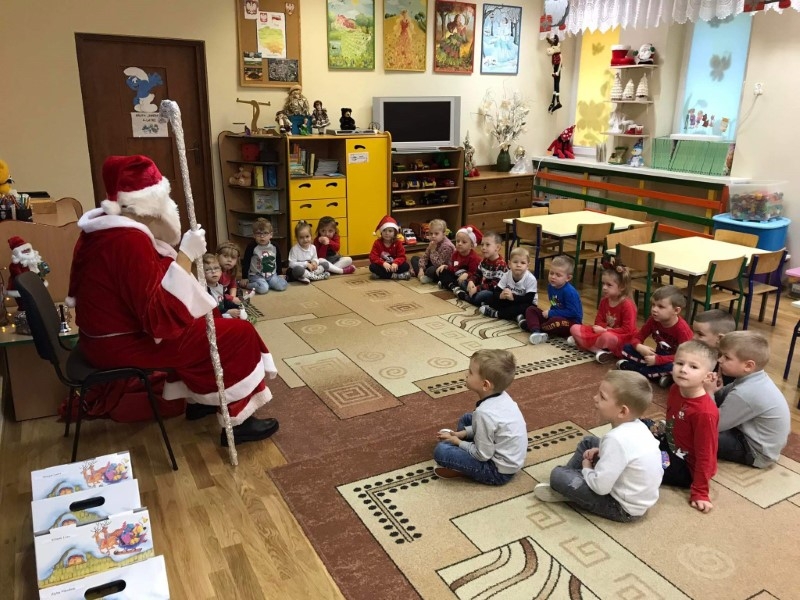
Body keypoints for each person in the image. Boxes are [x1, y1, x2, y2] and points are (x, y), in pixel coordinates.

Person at [66, 155, 279, 445]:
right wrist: (185, 256)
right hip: (124, 344)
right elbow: (158, 319)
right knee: (237, 334)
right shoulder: (126, 241)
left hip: (106, 339)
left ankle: (200, 401)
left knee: (210, 318)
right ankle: (238, 422)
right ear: (147, 203)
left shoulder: (106, 231)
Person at [534, 371, 663, 522]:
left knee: (557, 475)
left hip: (621, 507)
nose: (595, 398)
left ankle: (570, 487)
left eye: (602, 397)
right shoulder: (638, 426)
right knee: (589, 442)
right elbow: (625, 454)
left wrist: (586, 468)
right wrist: (601, 452)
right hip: (635, 498)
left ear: (622, 411)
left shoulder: (616, 439)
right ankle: (573, 483)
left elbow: (601, 488)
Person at [434, 349, 527, 485]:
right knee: (467, 418)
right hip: (506, 458)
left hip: (497, 472)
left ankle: (462, 466)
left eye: (471, 372)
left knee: (441, 451)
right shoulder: (502, 396)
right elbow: (492, 429)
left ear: (485, 385)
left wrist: (457, 442)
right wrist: (463, 433)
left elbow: (482, 455)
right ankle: (465, 448)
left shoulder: (484, 413)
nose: (466, 374)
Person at [651, 341, 719, 513]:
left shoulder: (704, 413)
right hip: (672, 443)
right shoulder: (675, 388)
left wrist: (700, 492)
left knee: (639, 464)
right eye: (679, 363)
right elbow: (672, 418)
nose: (683, 369)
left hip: (687, 467)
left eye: (693, 367)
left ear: (707, 377)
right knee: (639, 425)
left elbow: (706, 453)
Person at [712, 331, 790, 468]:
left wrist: (708, 392)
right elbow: (722, 396)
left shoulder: (745, 392)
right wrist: (714, 390)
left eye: (727, 357)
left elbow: (713, 424)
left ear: (748, 366)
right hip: (750, 436)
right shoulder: (755, 378)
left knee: (698, 434)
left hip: (755, 452)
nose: (720, 360)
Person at [617, 285, 693, 387]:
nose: (654, 309)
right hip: (656, 356)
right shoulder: (653, 320)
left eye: (661, 307)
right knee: (626, 348)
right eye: (653, 305)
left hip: (673, 360)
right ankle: (655, 375)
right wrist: (639, 346)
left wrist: (658, 360)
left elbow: (685, 357)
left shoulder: (682, 329)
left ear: (676, 311)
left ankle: (636, 369)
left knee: (676, 367)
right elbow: (637, 337)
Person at [569, 264, 637, 364]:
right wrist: (602, 329)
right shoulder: (604, 301)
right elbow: (598, 321)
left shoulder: (627, 305)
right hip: (602, 332)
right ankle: (599, 351)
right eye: (603, 284)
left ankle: (583, 343)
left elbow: (628, 329)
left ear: (622, 287)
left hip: (621, 337)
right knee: (574, 328)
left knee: (608, 337)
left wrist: (606, 330)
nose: (604, 287)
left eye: (609, 285)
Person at [522, 255, 582, 345]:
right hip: (554, 316)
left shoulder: (569, 292)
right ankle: (536, 331)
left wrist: (551, 313)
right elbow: (555, 304)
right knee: (531, 309)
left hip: (571, 323)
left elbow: (573, 312)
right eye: (551, 273)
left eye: (558, 275)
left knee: (555, 322)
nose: (553, 277)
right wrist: (550, 313)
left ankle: (533, 326)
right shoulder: (551, 286)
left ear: (568, 278)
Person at [479, 247, 538, 321]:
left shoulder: (531, 279)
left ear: (527, 266)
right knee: (491, 298)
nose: (518, 265)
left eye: (523, 263)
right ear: (509, 264)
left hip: (526, 302)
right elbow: (496, 291)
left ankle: (497, 314)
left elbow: (529, 299)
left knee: (527, 308)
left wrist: (513, 297)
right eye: (515, 262)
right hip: (511, 300)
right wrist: (501, 295)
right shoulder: (507, 275)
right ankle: (516, 316)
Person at [455, 231, 507, 306]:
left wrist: (477, 288)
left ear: (497, 247)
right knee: (463, 282)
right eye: (482, 245)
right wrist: (471, 281)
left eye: (487, 245)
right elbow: (477, 274)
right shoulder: (484, 261)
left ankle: (466, 296)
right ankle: (473, 296)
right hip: (481, 286)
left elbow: (494, 285)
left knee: (482, 295)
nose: (483, 248)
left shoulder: (501, 265)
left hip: (492, 291)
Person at [692, 309, 736, 388]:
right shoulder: (702, 351)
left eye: (700, 334)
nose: (693, 337)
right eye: (694, 332)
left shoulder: (730, 367)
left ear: (720, 338)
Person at [243, 218, 288, 294]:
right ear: (254, 235)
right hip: (256, 275)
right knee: (263, 289)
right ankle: (249, 285)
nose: (262, 236)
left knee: (282, 285)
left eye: (265, 233)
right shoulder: (252, 246)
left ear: (271, 235)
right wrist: (244, 277)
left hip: (271, 275)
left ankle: (267, 283)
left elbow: (278, 259)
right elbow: (246, 261)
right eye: (258, 233)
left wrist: (280, 273)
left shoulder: (274, 246)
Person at [437, 225, 482, 294]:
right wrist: (446, 267)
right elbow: (454, 269)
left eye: (464, 242)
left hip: (468, 279)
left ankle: (449, 284)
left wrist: (467, 274)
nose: (460, 244)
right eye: (458, 241)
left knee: (464, 283)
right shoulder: (455, 254)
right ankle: (453, 286)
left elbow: (475, 273)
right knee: (442, 271)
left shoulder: (474, 258)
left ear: (471, 246)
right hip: (457, 276)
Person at [411, 218, 454, 284]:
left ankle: (425, 276)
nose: (433, 236)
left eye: (436, 234)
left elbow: (439, 264)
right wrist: (421, 269)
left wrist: (433, 250)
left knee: (432, 270)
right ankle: (423, 275)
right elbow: (425, 256)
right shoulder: (433, 242)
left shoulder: (447, 246)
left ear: (443, 234)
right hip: (433, 263)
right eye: (431, 233)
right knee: (414, 259)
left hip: (442, 268)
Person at [369, 215, 410, 280]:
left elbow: (402, 256)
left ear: (395, 233)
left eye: (390, 231)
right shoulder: (377, 243)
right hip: (383, 265)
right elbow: (373, 257)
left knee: (406, 266)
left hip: (394, 265)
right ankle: (396, 276)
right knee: (372, 267)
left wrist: (396, 263)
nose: (387, 233)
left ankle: (381, 275)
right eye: (384, 230)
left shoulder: (398, 243)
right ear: (381, 232)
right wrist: (383, 263)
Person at [203, 254, 243, 319]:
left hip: (222, 311)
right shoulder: (205, 290)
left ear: (221, 271)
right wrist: (228, 311)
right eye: (207, 270)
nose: (213, 272)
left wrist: (236, 306)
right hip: (214, 316)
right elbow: (211, 310)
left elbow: (224, 302)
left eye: (216, 268)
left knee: (240, 314)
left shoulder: (220, 286)